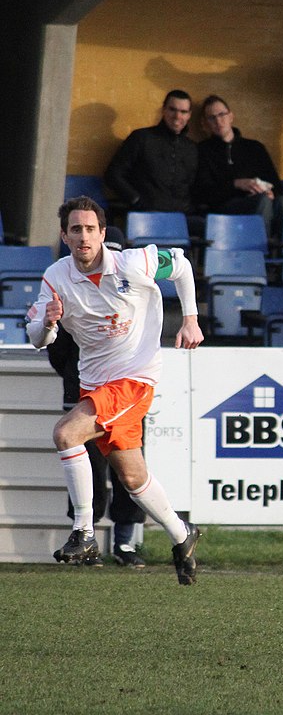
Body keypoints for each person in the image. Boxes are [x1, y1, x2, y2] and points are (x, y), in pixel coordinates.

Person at [25, 195, 204, 585]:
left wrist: (190, 319)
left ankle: (84, 532)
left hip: (135, 377)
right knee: (133, 477)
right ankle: (182, 535)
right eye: (76, 229)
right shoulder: (55, 277)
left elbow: (182, 265)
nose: (84, 236)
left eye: (91, 229)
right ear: (65, 235)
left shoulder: (132, 262)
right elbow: (37, 336)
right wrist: (49, 324)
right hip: (95, 381)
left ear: (102, 233)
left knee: (65, 433)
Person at [47, 227, 146, 568]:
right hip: (84, 392)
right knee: (86, 462)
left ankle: (125, 542)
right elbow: (56, 346)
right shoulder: (69, 290)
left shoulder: (133, 293)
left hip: (127, 393)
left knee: (129, 469)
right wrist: (75, 381)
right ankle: (84, 536)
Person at [194, 94, 283, 240]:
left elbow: (277, 185)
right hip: (224, 208)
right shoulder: (202, 151)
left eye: (222, 114)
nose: (218, 121)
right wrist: (237, 184)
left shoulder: (255, 148)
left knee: (282, 202)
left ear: (231, 116)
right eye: (211, 117)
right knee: (262, 202)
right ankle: (260, 251)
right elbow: (204, 193)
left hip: (259, 201)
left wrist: (271, 192)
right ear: (205, 123)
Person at [104, 89, 198, 216]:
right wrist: (137, 201)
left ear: (189, 115)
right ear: (163, 110)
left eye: (183, 112)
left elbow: (194, 185)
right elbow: (113, 175)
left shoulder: (192, 148)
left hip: (183, 218)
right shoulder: (141, 138)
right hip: (145, 216)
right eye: (172, 109)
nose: (177, 116)